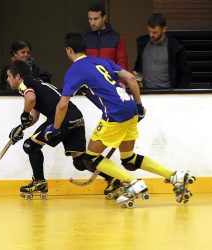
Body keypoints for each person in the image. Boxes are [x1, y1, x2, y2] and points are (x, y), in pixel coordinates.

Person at [45, 33, 195, 207]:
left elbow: (62, 105)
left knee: (90, 158)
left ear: (69, 50)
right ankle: (173, 175)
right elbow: (131, 78)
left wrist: (55, 128)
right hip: (130, 108)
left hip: (114, 114)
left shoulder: (75, 70)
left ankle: (133, 183)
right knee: (129, 159)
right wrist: (138, 107)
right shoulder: (102, 61)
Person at [6, 60, 113, 199]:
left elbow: (30, 99)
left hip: (61, 117)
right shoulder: (37, 83)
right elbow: (35, 115)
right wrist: (21, 127)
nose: (7, 79)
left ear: (18, 76)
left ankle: (39, 182)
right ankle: (113, 178)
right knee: (80, 161)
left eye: (9, 76)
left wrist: (24, 114)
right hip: (75, 115)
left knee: (30, 146)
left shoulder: (25, 84)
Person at [133, 13, 190, 88]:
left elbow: (185, 73)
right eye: (149, 31)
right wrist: (135, 73)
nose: (151, 35)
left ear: (164, 29)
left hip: (167, 93)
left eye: (155, 32)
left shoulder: (175, 46)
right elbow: (139, 64)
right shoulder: (142, 43)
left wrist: (179, 93)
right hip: (146, 91)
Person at [83, 3, 128, 71]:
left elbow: (122, 64)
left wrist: (121, 81)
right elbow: (78, 64)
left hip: (110, 80)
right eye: (90, 19)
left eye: (96, 19)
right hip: (89, 80)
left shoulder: (116, 38)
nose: (92, 23)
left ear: (104, 18)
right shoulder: (83, 38)